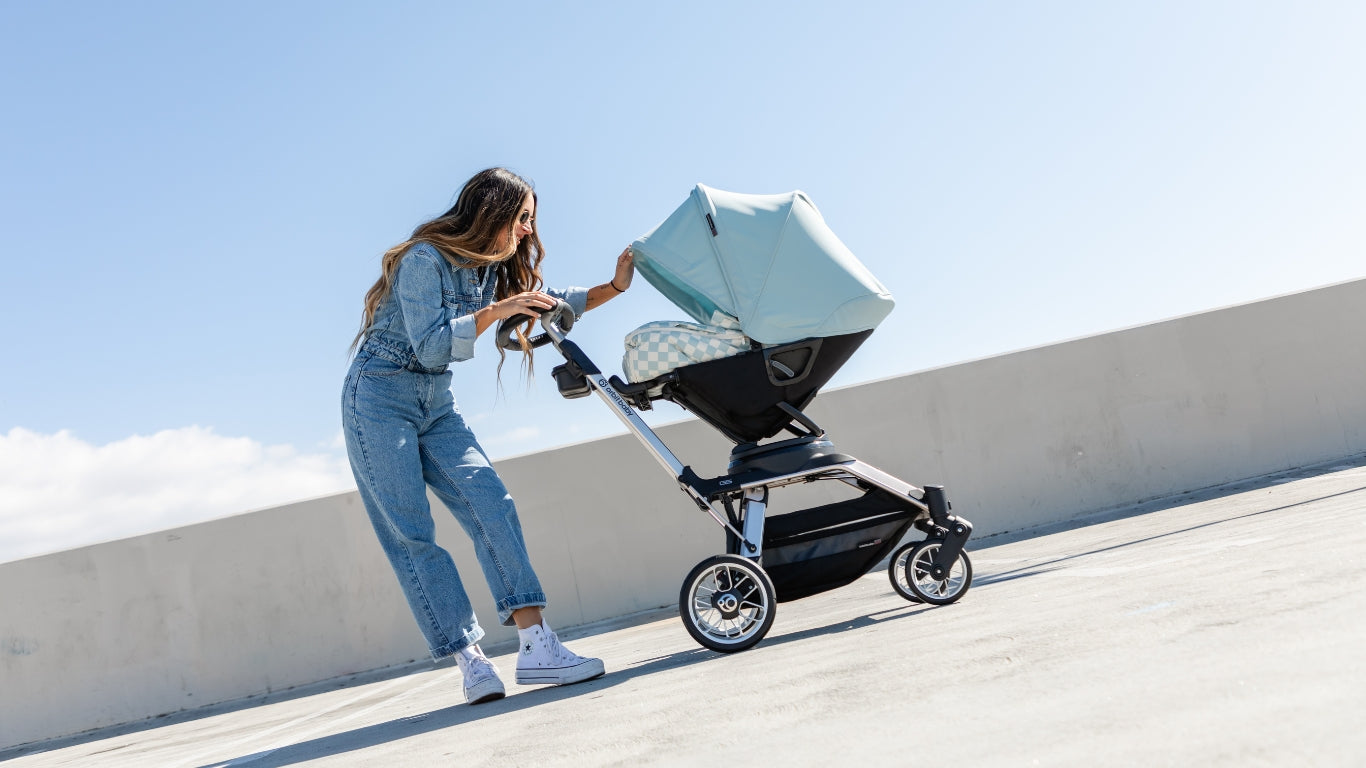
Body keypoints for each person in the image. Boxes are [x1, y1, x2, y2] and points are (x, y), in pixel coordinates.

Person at [341, 167, 633, 705]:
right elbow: (431, 346)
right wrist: (498, 310)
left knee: (492, 505)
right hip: (378, 402)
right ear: (492, 212)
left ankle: (536, 647)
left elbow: (549, 297)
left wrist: (614, 287)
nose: (527, 231)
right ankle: (470, 661)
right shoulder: (423, 260)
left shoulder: (488, 269)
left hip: (435, 404)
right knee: (412, 533)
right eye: (522, 218)